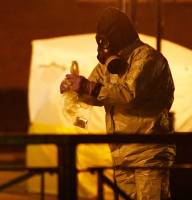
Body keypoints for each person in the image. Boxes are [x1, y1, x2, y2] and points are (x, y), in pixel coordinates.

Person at [60, 7, 175, 200]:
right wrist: (75, 90)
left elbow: (129, 94)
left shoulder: (147, 57)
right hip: (121, 154)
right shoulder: (108, 63)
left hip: (148, 153)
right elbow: (96, 94)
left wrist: (88, 87)